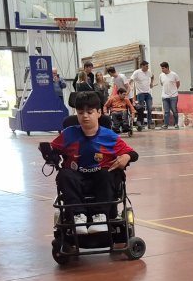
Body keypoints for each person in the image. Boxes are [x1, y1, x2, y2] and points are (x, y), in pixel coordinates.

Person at [48, 91, 137, 234]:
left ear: (99, 113)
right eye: (80, 112)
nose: (85, 116)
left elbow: (133, 153)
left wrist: (126, 156)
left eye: (89, 112)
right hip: (76, 176)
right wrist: (49, 154)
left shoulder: (109, 136)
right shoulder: (68, 134)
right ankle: (78, 216)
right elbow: (53, 148)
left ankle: (100, 216)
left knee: (108, 174)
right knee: (64, 175)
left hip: (102, 177)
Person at [131, 60, 154, 129]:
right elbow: (131, 79)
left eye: (148, 66)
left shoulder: (149, 72)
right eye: (146, 66)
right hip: (140, 93)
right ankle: (142, 123)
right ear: (142, 66)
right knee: (141, 109)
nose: (147, 67)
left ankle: (149, 123)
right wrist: (129, 87)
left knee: (149, 108)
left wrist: (151, 83)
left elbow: (152, 76)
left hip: (148, 93)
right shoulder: (137, 72)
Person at [159, 62, 180, 129]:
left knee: (174, 110)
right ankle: (166, 124)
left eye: (163, 68)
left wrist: (174, 90)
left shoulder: (174, 74)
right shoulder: (161, 75)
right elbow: (162, 84)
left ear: (167, 67)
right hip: (164, 96)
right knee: (166, 111)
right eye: (161, 68)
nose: (162, 70)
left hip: (173, 96)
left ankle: (176, 124)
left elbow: (178, 83)